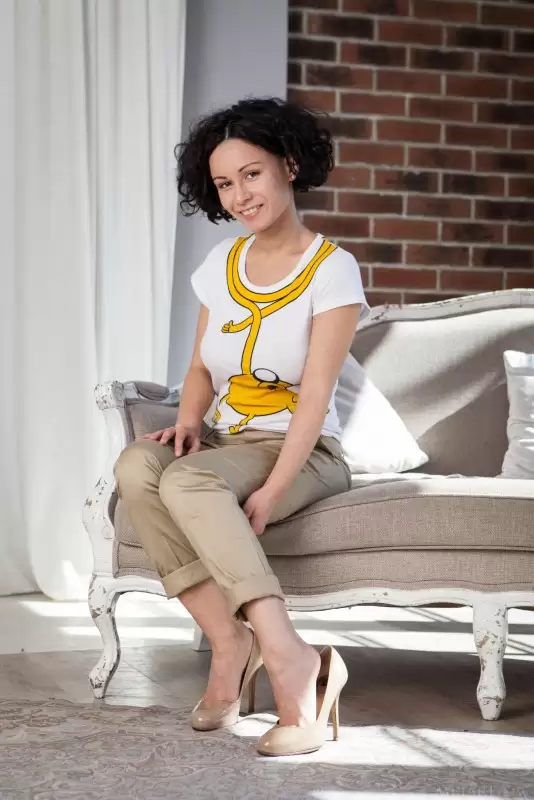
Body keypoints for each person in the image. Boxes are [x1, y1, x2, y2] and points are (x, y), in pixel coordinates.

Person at [113, 96, 369, 757]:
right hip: (228, 440)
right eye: (225, 183)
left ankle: (291, 660)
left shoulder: (332, 268)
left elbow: (314, 398)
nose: (239, 195)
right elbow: (201, 365)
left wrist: (274, 489)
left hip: (303, 449)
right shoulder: (221, 266)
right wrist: (188, 424)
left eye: (251, 174)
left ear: (290, 166)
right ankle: (231, 642)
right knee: (138, 464)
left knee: (190, 482)